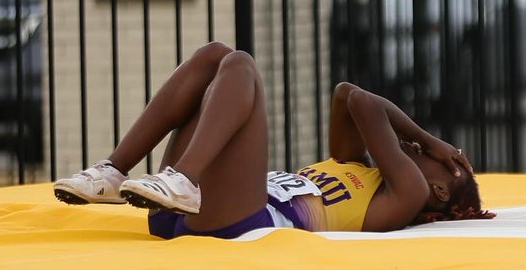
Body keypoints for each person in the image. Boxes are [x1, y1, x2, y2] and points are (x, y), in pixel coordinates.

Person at [53, 42, 492, 239]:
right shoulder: (355, 165)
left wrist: (427, 138)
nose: (425, 152)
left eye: (445, 163)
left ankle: (184, 177)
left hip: (245, 223)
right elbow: (347, 95)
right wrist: (432, 148)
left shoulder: (407, 195)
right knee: (214, 57)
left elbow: (370, 107)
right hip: (191, 213)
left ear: (439, 188)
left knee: (241, 65)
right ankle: (113, 171)